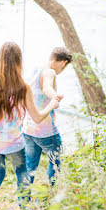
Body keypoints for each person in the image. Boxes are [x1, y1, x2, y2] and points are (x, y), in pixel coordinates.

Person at [0, 42, 62, 210]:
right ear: (19, 61)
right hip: (14, 142)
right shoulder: (23, 88)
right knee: (21, 172)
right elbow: (38, 117)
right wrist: (51, 105)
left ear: (0, 60)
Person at [23, 47, 72, 186]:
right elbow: (46, 87)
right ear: (63, 63)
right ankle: (52, 193)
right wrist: (55, 96)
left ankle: (24, 200)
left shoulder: (34, 71)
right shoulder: (50, 72)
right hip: (45, 131)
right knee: (55, 162)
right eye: (65, 66)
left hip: (28, 128)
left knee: (30, 166)